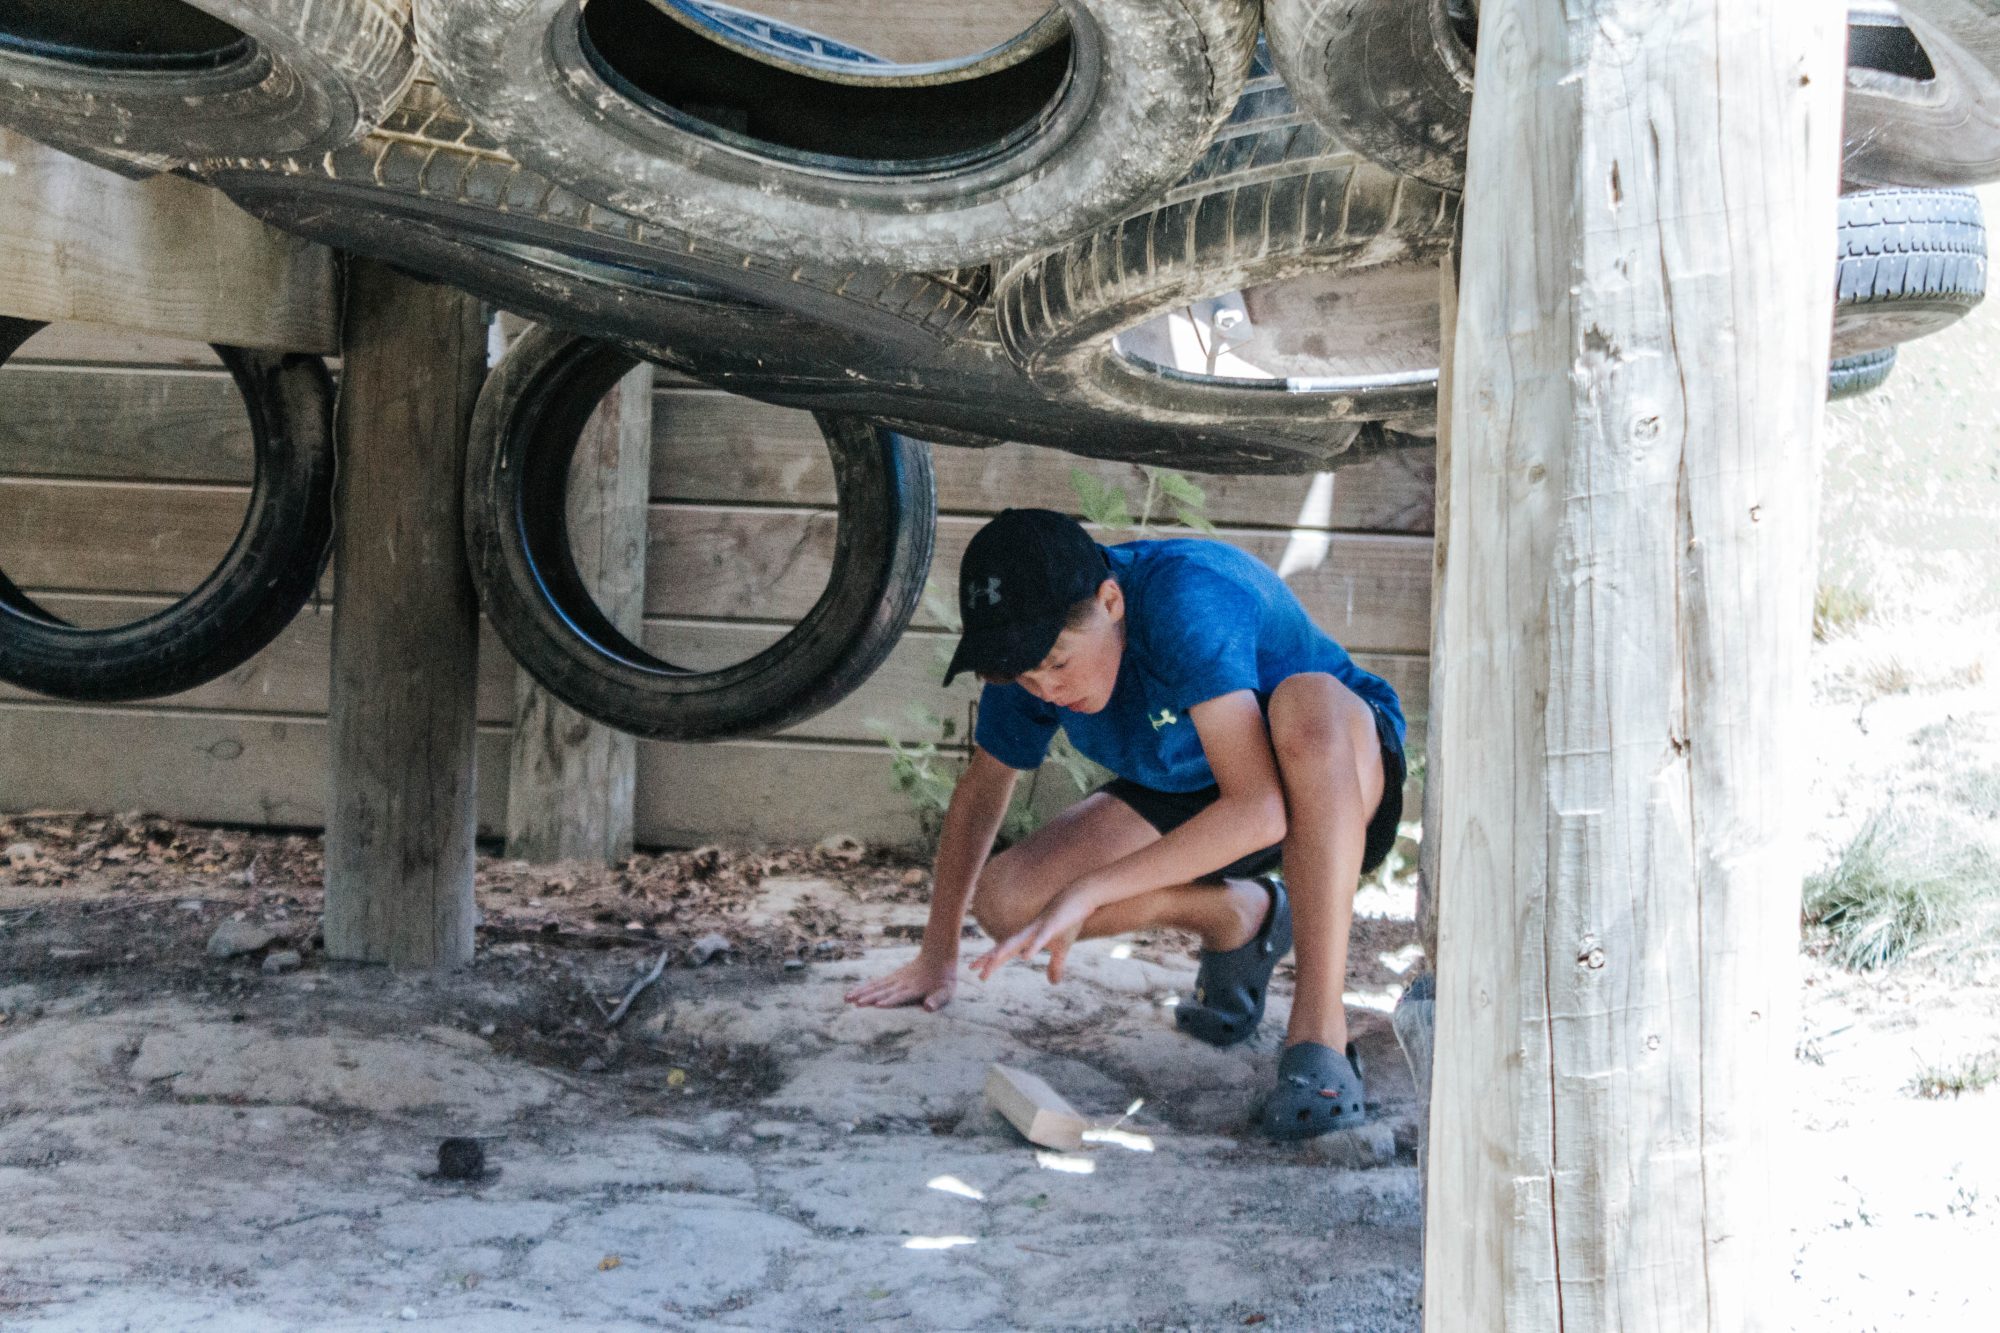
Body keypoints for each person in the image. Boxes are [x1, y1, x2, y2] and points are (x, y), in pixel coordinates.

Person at [843, 508, 1406, 1139]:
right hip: (1194, 782)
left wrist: (1092, 888)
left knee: (1308, 703)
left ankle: (1319, 1036)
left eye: (1058, 664)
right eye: (1028, 674)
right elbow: (982, 791)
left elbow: (1259, 808)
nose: (1045, 687)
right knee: (1009, 901)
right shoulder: (1030, 652)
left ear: (1111, 602)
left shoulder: (1186, 597)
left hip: (1329, 774)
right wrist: (937, 953)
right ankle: (1240, 917)